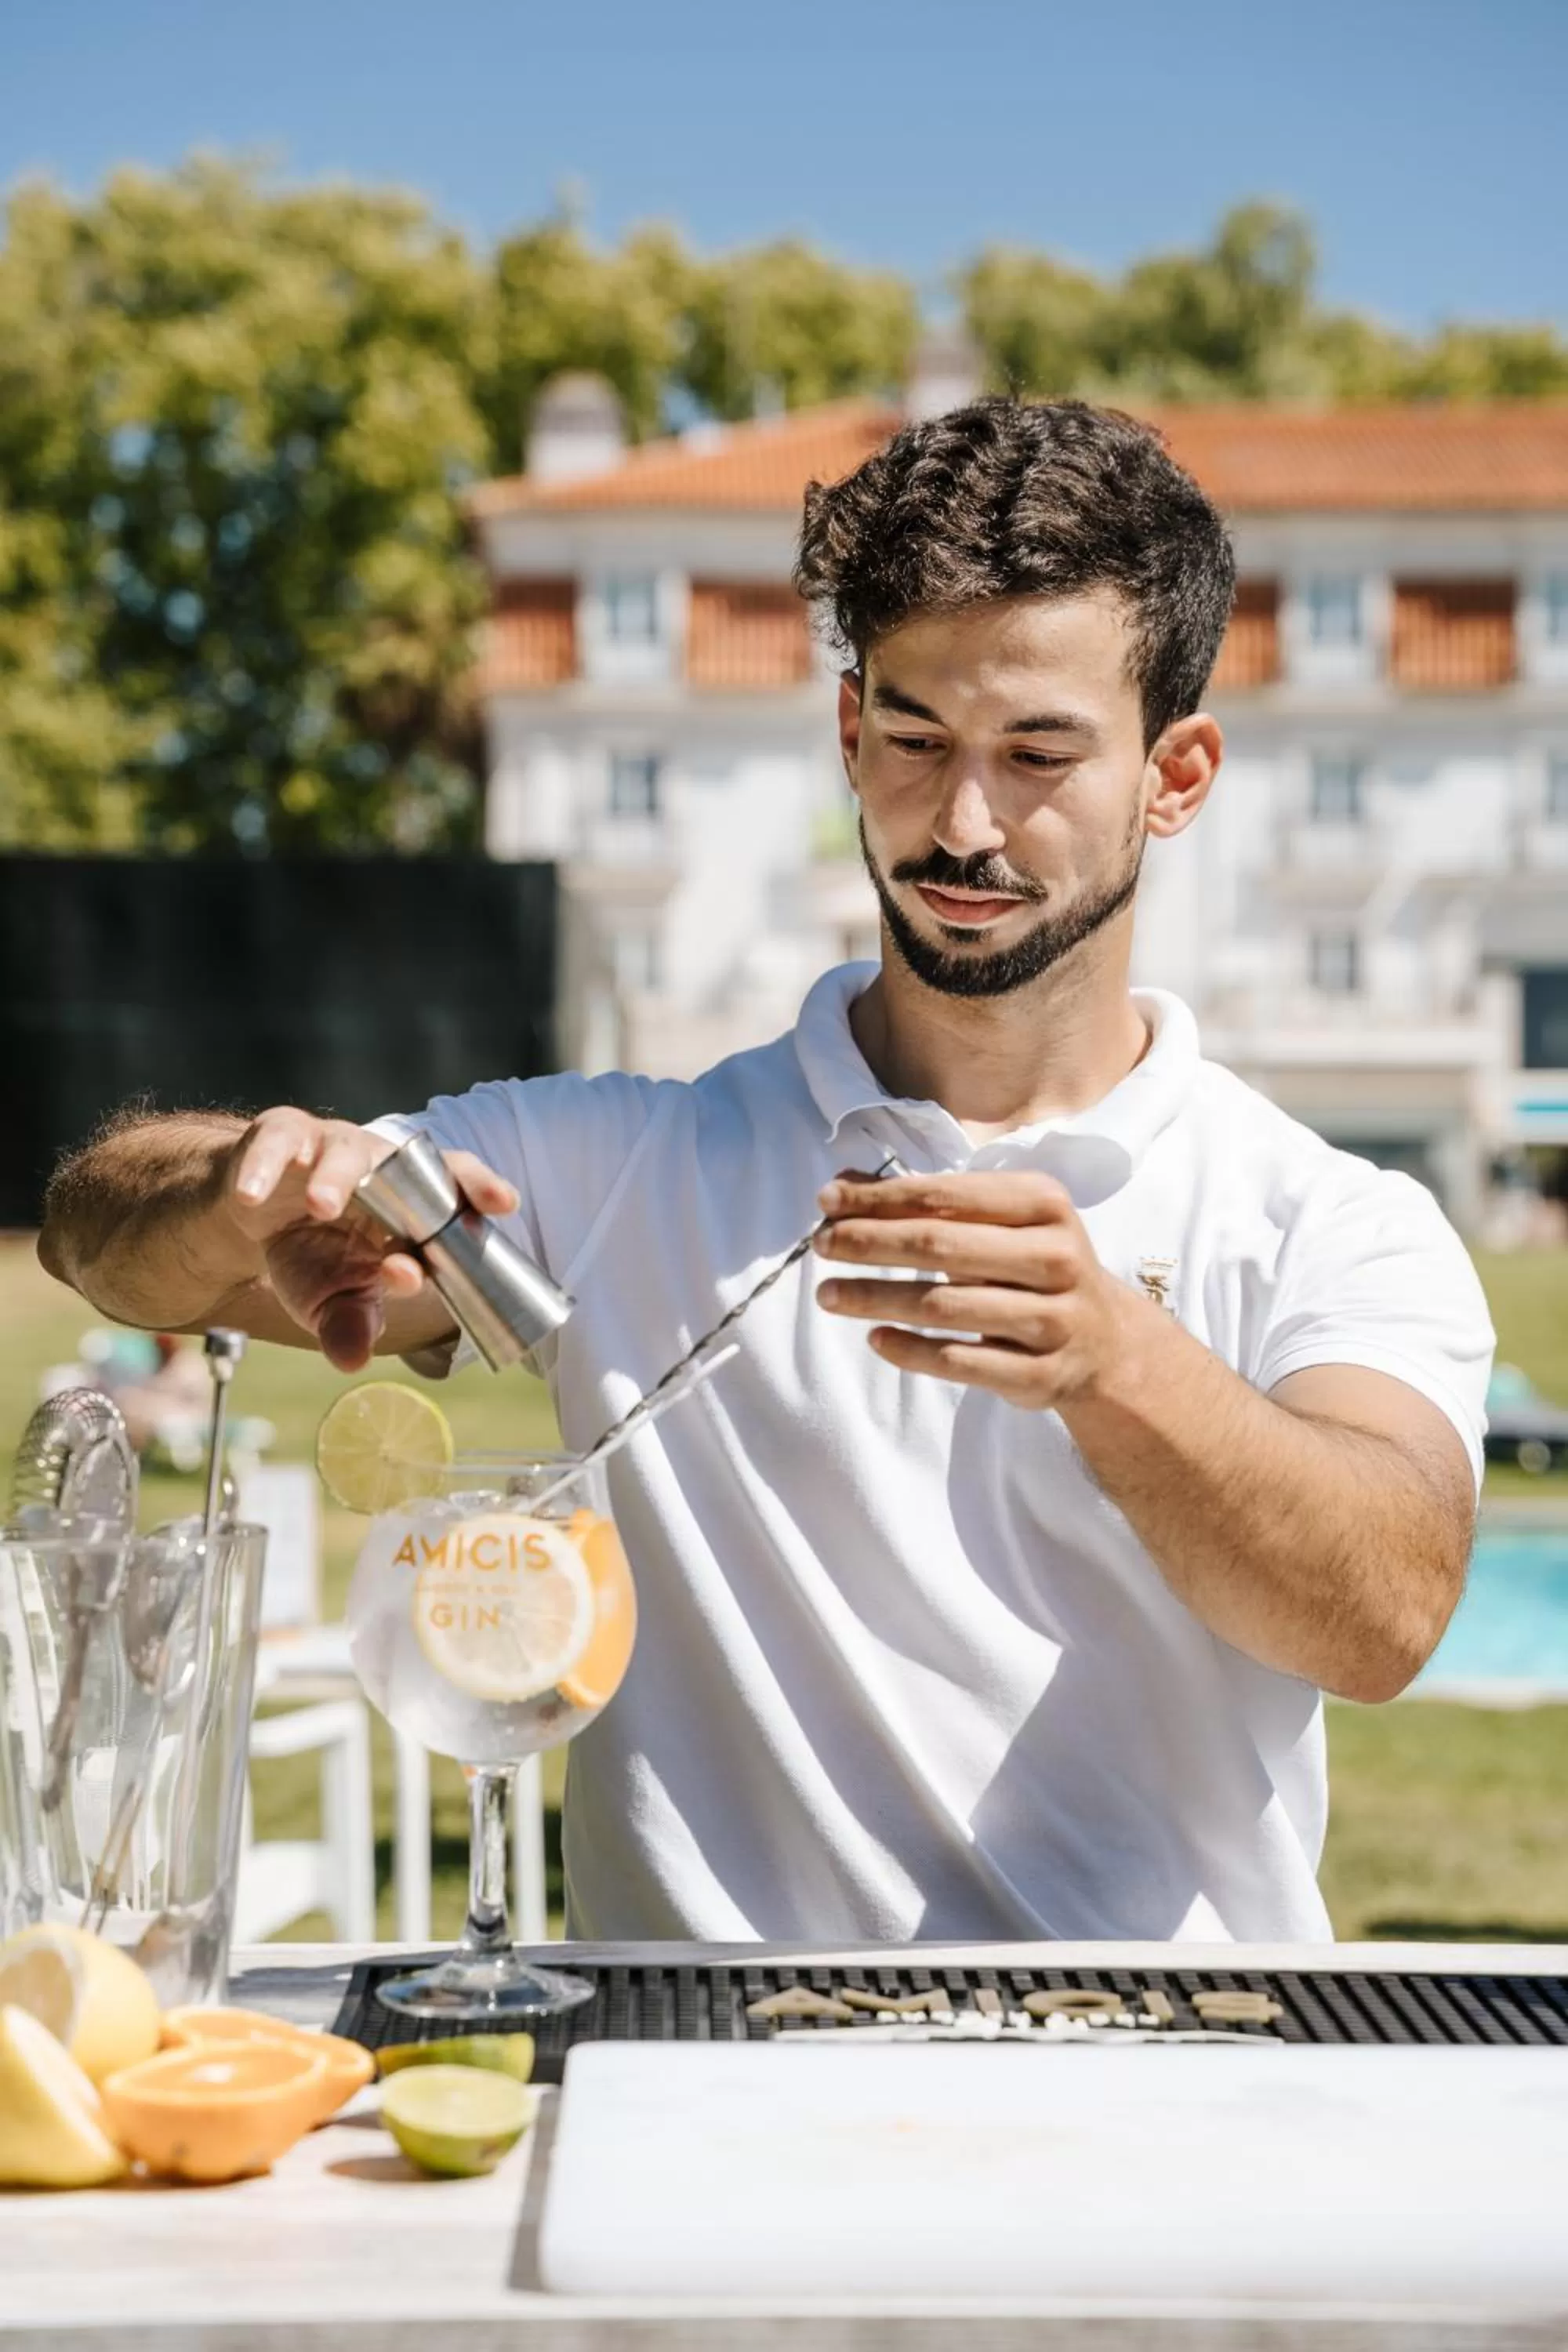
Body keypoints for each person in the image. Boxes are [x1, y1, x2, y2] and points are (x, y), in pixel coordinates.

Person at [39, 399, 1494, 1945]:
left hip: (1172, 2064)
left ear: (1175, 776)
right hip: (694, 2064)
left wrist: (1114, 1361)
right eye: (916, 741)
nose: (964, 822)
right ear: (850, 735)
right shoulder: (612, 1166)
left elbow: (1385, 1616)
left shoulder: (1325, 1216)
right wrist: (238, 1184)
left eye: (1037, 755)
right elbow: (94, 1243)